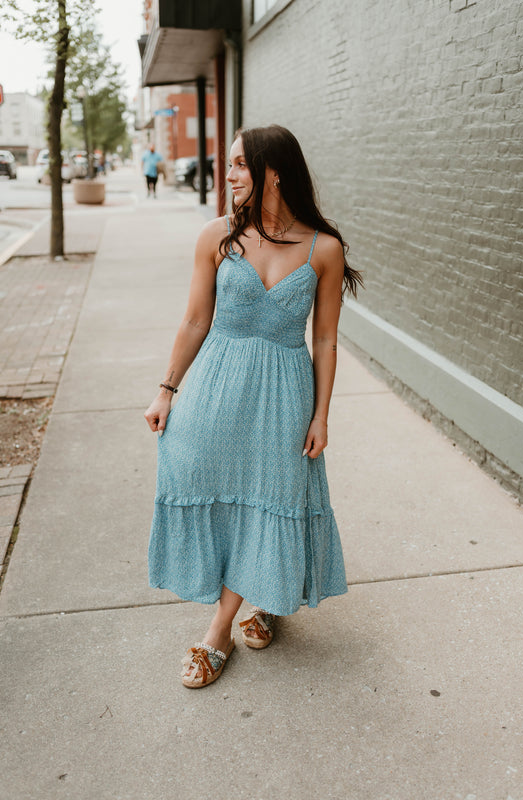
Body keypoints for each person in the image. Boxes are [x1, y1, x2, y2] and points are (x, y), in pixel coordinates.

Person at [144, 124, 363, 688]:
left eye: (241, 164)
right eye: (231, 163)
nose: (230, 173)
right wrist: (167, 388)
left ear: (274, 171)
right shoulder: (216, 237)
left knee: (271, 497)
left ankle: (219, 629)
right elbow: (195, 319)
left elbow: (326, 340)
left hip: (284, 395)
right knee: (209, 479)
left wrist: (321, 414)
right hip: (218, 384)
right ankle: (262, 593)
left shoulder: (324, 248)